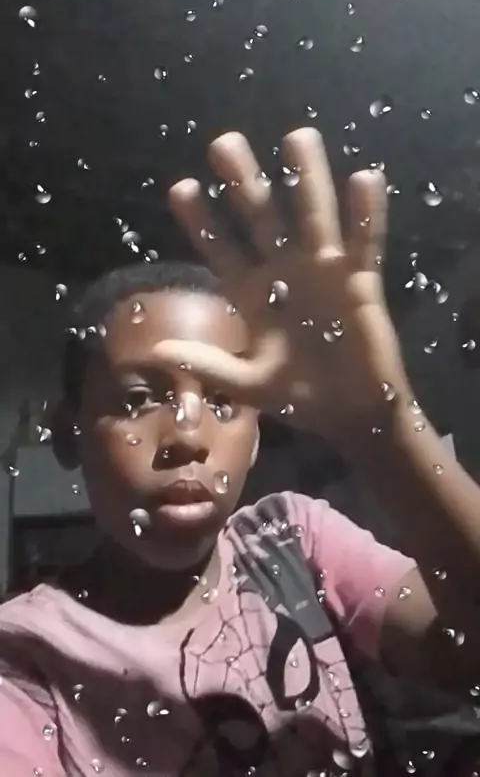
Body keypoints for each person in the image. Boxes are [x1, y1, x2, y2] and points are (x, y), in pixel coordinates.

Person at [1, 128, 480, 777]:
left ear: (256, 436)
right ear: (68, 433)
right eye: (140, 399)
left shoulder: (291, 542)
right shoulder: (24, 656)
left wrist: (387, 431)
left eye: (225, 400)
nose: (188, 435)